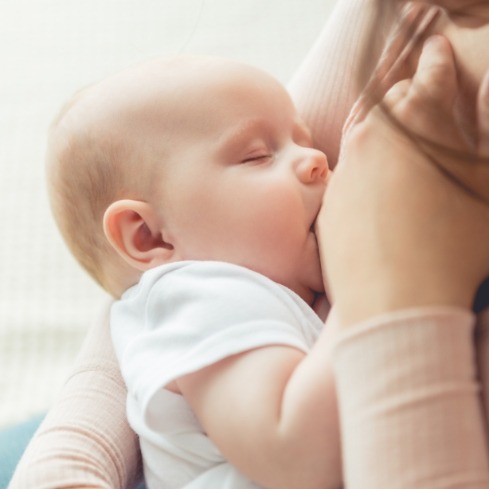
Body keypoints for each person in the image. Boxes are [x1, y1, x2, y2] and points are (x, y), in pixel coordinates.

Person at [7, 1, 489, 488]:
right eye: (259, 155)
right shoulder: (203, 300)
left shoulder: (242, 287)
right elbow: (300, 455)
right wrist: (380, 271)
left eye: (301, 140)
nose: (319, 159)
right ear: (149, 236)